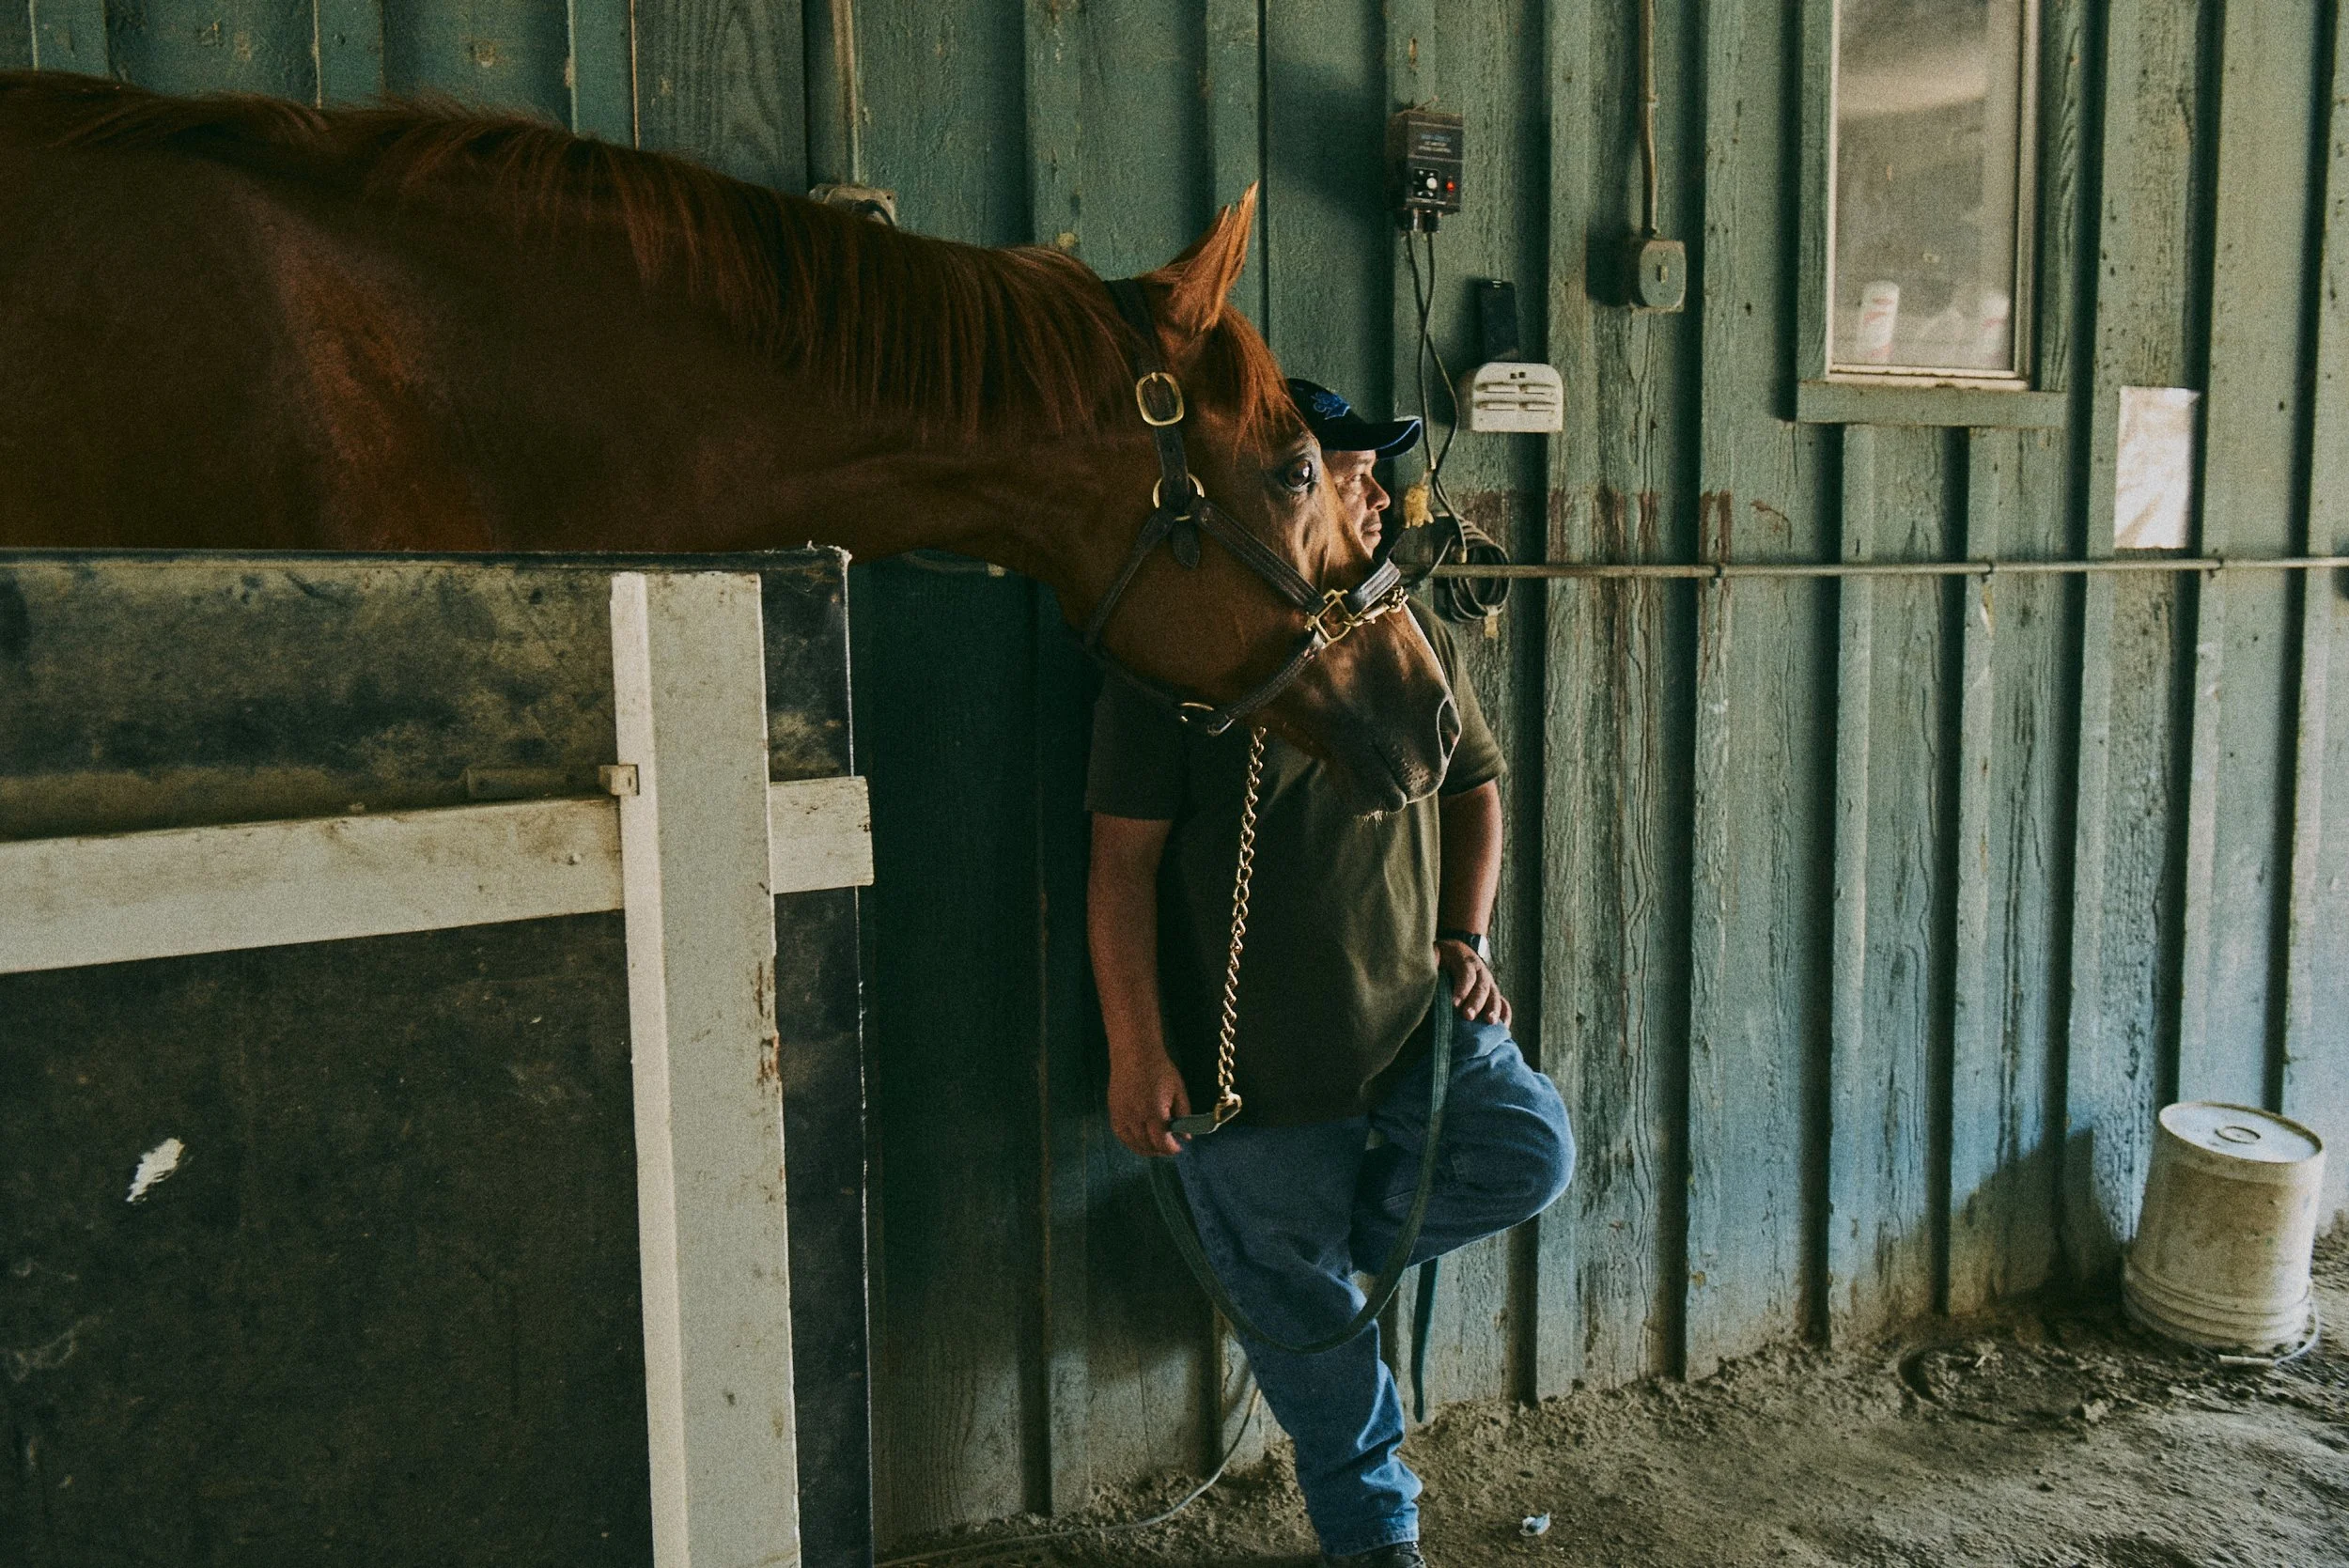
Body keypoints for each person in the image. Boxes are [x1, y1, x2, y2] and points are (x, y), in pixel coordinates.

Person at [1085, 379, 1575, 1568]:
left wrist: (1466, 936)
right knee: (1312, 1330)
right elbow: (1121, 872)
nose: (1368, 487)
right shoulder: (1174, 662)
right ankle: (1375, 1537)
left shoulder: (1408, 633)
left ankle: (1271, 1254)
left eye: (1370, 469)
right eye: (1340, 466)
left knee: (1528, 1153)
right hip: (1251, 1070)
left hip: (1411, 1019)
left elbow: (1475, 793)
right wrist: (1139, 1051)